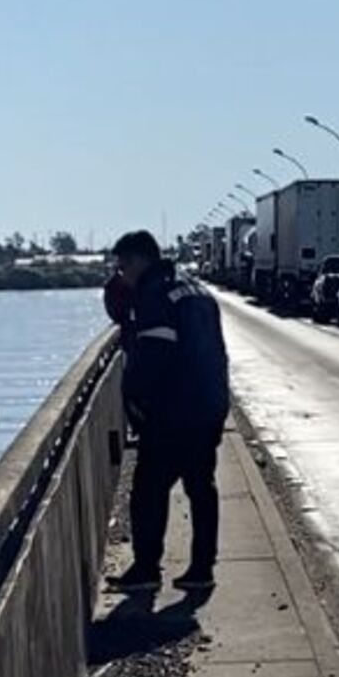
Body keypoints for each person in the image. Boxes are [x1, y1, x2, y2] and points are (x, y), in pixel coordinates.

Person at [107, 230, 230, 594]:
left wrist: (136, 400)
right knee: (201, 487)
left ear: (139, 260)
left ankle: (146, 569)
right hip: (209, 403)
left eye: (123, 266)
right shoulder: (195, 288)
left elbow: (154, 355)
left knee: (148, 490)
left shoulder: (155, 294)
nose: (122, 274)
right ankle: (202, 569)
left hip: (174, 409)